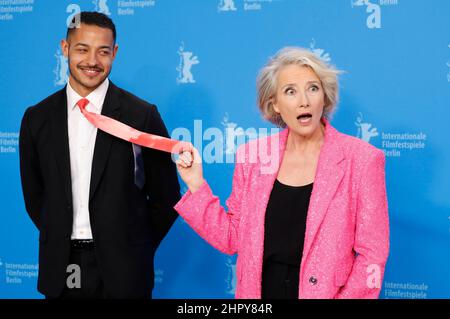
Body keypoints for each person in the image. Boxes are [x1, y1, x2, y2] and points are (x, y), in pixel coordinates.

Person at [175, 47, 389, 299]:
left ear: (325, 96)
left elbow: (372, 255)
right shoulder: (253, 156)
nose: (304, 101)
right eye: (290, 91)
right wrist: (196, 184)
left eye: (313, 88)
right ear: (275, 103)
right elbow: (232, 238)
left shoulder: (362, 159)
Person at [19, 12, 180, 299]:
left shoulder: (141, 115)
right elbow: (35, 196)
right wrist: (59, 235)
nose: (92, 61)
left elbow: (166, 197)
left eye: (103, 51)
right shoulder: (37, 118)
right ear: (65, 48)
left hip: (125, 268)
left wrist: (133, 245)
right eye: (82, 49)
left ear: (114, 53)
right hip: (63, 266)